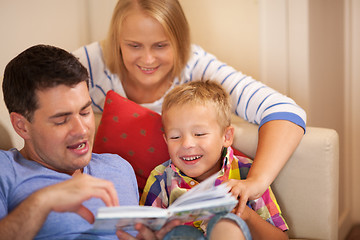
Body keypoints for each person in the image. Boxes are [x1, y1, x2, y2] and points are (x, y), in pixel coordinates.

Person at [73, 0, 306, 214]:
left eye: (161, 45)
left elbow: (285, 110)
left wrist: (256, 181)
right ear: (116, 42)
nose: (148, 59)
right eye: (134, 45)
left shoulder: (196, 65)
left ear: (179, 41)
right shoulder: (92, 62)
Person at [0, 44, 181, 240]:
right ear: (22, 126)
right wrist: (43, 201)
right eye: (61, 120)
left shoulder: (119, 168)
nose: (82, 130)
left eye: (85, 112)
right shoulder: (6, 170)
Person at [137, 81, 288, 240]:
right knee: (180, 234)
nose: (187, 144)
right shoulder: (161, 178)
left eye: (199, 134)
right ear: (166, 141)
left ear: (226, 137)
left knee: (227, 224)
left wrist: (246, 215)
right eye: (175, 137)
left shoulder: (249, 174)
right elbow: (145, 232)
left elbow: (281, 238)